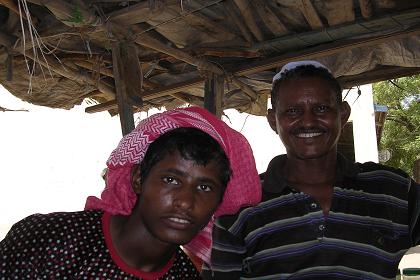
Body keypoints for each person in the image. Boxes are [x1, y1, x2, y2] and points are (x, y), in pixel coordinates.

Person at [202, 61, 420, 279]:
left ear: (342, 114)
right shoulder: (240, 207)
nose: (308, 121)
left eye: (321, 108)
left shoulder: (393, 190)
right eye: (293, 111)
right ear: (272, 120)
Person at [0, 106, 261, 279]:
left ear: (219, 202)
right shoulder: (51, 240)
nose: (185, 202)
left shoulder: (184, 276)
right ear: (138, 179)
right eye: (171, 180)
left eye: (205, 187)